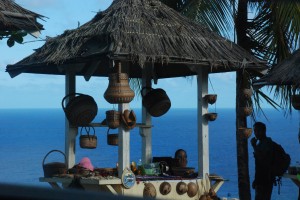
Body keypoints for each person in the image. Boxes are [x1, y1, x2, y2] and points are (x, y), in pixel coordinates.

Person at [250, 122, 275, 200]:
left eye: (258, 131)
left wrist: (254, 146)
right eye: (255, 131)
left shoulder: (266, 143)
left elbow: (262, 160)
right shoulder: (262, 143)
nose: (256, 133)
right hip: (264, 179)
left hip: (265, 180)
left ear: (264, 131)